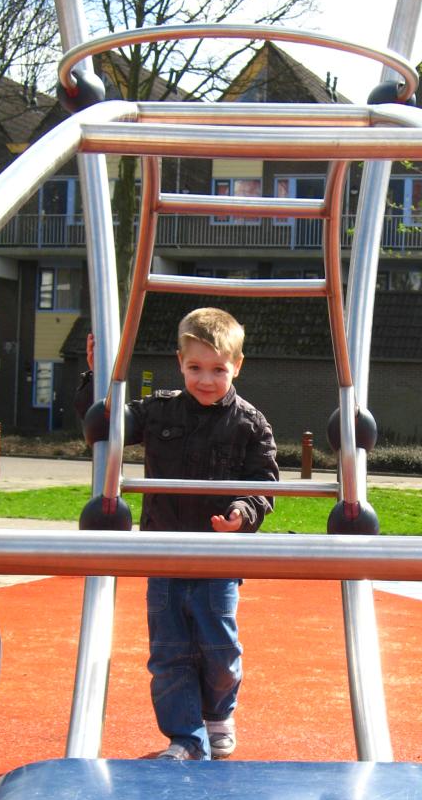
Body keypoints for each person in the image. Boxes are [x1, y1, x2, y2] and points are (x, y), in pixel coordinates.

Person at [75, 308, 278, 761]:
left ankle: (218, 713)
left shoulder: (250, 423)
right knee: (168, 655)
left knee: (219, 649)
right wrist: (97, 376)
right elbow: (103, 425)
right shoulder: (160, 410)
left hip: (217, 558)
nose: (206, 380)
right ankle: (186, 738)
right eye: (195, 368)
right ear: (180, 363)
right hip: (163, 553)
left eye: (218, 370)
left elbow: (264, 486)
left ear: (237, 365)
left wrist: (242, 514)